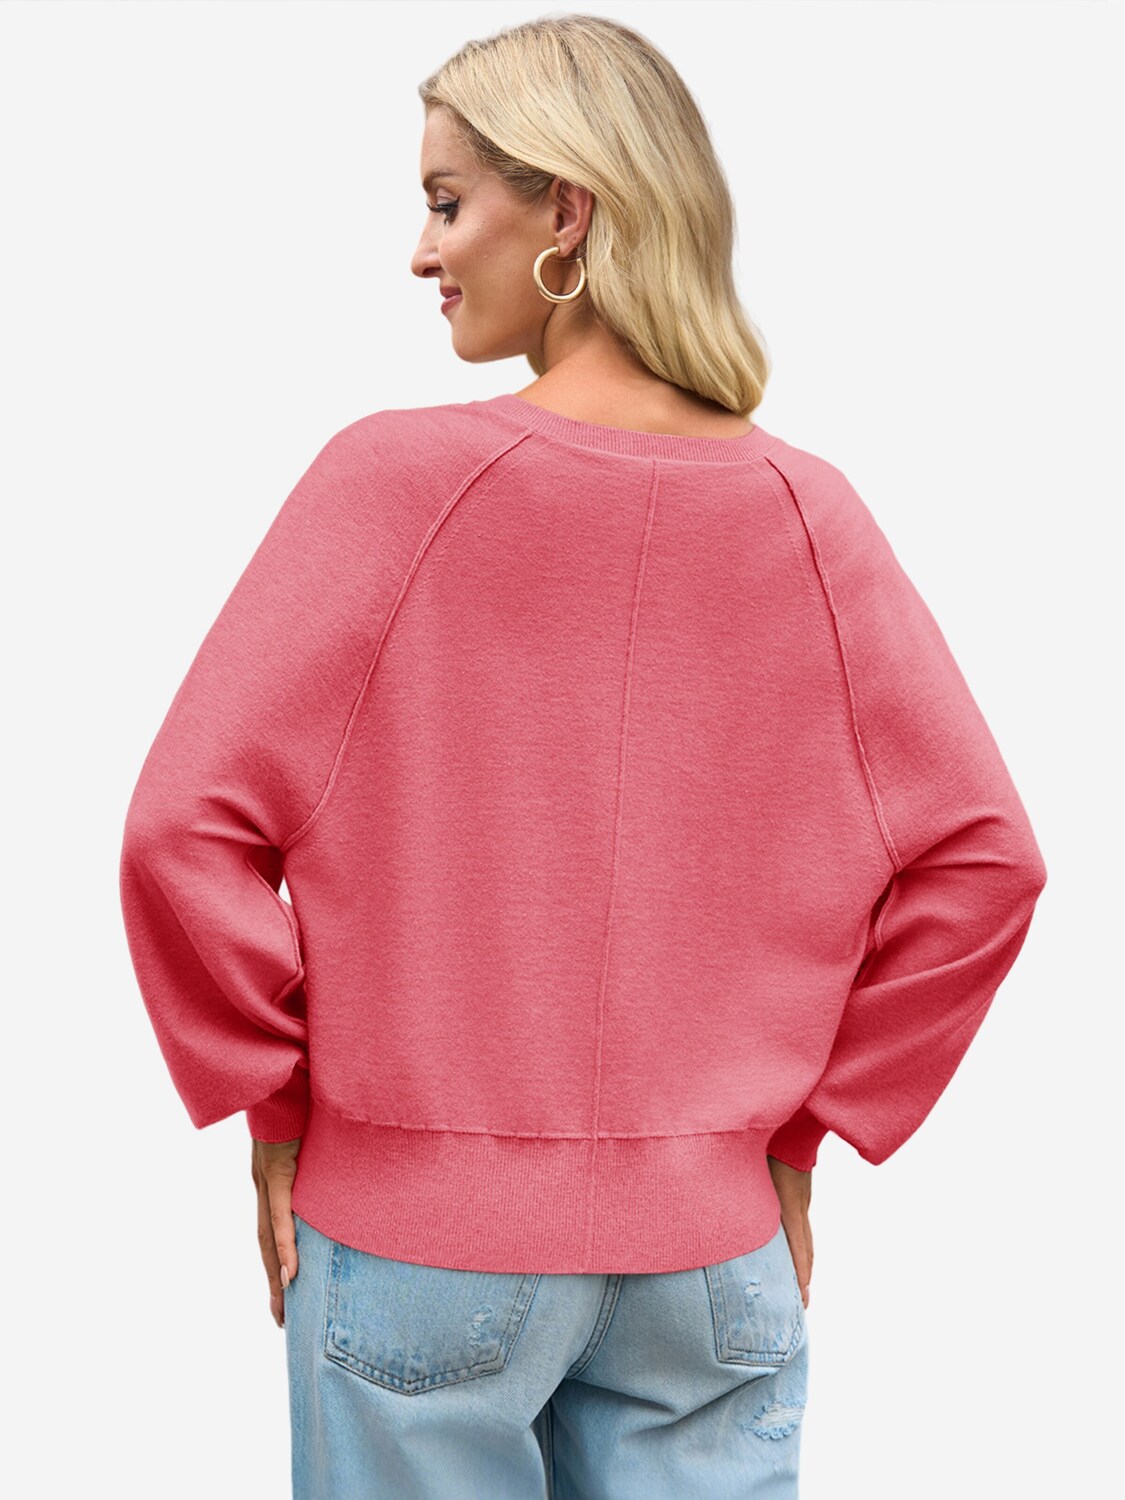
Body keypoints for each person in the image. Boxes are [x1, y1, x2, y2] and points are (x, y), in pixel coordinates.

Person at [118, 13, 1048, 1499]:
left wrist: (274, 1102)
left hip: (421, 1239)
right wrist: (799, 1136)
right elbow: (985, 861)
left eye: (445, 202)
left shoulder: (393, 482)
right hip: (711, 1258)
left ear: (567, 211)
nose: (420, 254)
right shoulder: (809, 516)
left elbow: (182, 828)